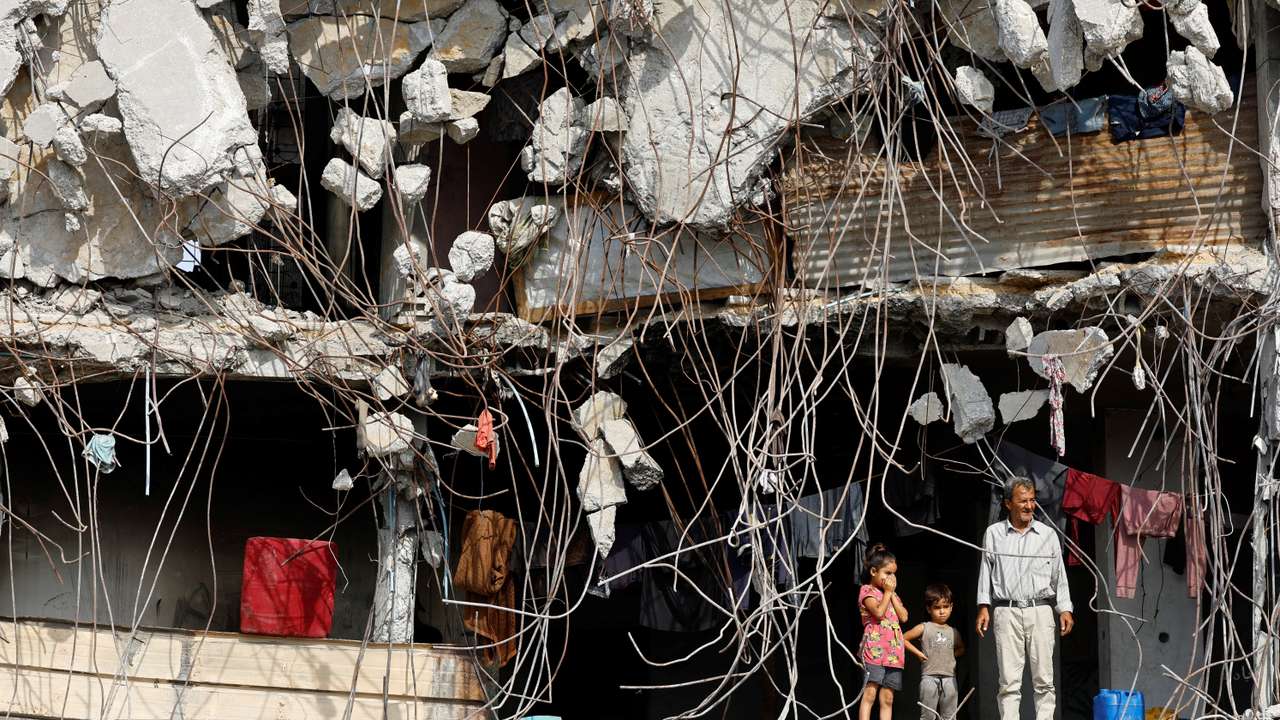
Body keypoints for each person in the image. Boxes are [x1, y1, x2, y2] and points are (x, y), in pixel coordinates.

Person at [975, 476, 1074, 720]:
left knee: (1044, 681)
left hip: (1040, 611)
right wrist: (983, 606)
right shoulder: (994, 534)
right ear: (1008, 504)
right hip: (1006, 611)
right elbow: (985, 571)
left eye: (1032, 500)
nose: (1029, 506)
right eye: (1023, 501)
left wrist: (1065, 608)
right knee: (1008, 682)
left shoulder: (1048, 535)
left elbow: (1059, 575)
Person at [858, 543, 908, 720]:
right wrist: (888, 593)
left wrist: (892, 594)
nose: (891, 578)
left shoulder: (892, 595)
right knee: (870, 692)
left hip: (894, 652)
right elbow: (878, 613)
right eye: (887, 573)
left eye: (894, 573)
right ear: (873, 572)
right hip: (875, 650)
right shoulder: (867, 591)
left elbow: (904, 617)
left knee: (888, 697)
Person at [904, 583, 965, 720]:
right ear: (929, 609)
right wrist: (918, 653)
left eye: (945, 607)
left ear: (951, 607)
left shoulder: (953, 632)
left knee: (949, 716)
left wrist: (951, 654)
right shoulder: (924, 627)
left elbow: (961, 648)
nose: (942, 611)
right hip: (929, 677)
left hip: (950, 678)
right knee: (928, 715)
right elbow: (903, 639)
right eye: (937, 608)